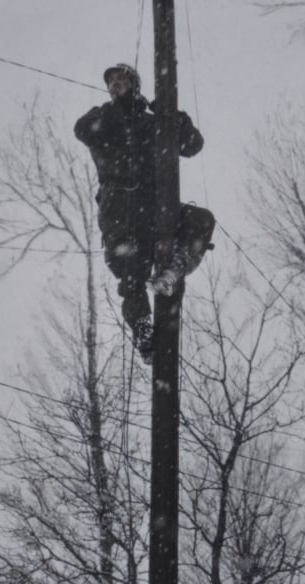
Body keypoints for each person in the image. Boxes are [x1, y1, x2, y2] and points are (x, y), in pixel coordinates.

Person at [75, 63, 215, 364]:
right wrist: (119, 108)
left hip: (158, 207)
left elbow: (193, 145)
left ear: (135, 83)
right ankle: (145, 336)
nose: (114, 84)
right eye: (110, 81)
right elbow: (82, 129)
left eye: (121, 79)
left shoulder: (153, 124)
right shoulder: (105, 121)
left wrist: (173, 116)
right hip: (121, 214)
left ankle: (174, 270)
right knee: (132, 278)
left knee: (201, 220)